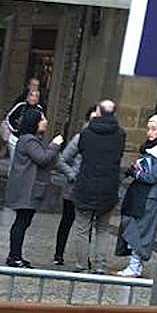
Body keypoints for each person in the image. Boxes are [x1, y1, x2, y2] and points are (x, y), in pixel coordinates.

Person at [67, 99, 125, 272]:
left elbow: (76, 153)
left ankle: (82, 265)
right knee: (102, 229)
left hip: (86, 185)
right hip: (108, 187)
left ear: (98, 112)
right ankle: (100, 265)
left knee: (82, 228)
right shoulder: (120, 134)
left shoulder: (86, 133)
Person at [2, 106, 63, 268]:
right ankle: (14, 256)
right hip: (26, 189)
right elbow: (42, 158)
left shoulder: (31, 139)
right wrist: (54, 145)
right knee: (21, 222)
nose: (45, 121)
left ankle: (15, 255)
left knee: (23, 221)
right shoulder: (29, 140)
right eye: (42, 119)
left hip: (28, 187)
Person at [116, 114, 157, 278]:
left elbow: (151, 177)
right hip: (142, 195)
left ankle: (134, 267)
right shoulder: (153, 149)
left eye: (154, 129)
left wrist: (135, 171)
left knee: (140, 231)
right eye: (149, 129)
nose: (149, 133)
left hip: (149, 197)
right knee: (135, 228)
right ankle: (135, 265)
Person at [52, 104, 96, 266]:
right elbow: (62, 159)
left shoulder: (102, 141)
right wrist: (72, 175)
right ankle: (58, 253)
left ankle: (84, 257)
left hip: (90, 187)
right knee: (67, 220)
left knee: (86, 225)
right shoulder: (80, 138)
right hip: (74, 187)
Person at [2, 77, 41, 156]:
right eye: (33, 85)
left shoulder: (40, 108)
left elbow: (42, 121)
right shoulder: (21, 102)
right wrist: (15, 129)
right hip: (16, 137)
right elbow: (10, 117)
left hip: (30, 139)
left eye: (37, 86)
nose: (33, 98)